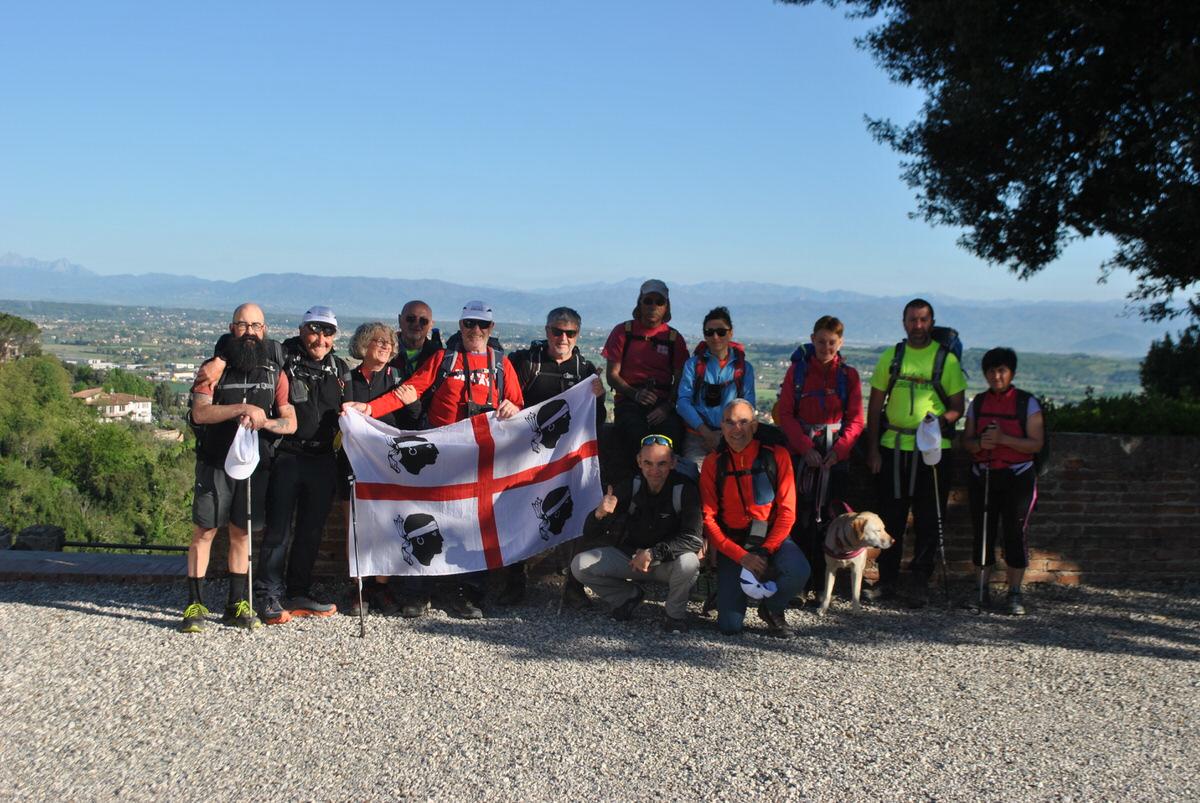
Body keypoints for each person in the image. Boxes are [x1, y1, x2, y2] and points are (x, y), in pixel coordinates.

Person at [343, 300, 524, 619]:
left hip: (479, 459)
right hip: (439, 456)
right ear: (460, 325)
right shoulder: (444, 359)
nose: (475, 330)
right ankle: (418, 590)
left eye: (482, 325)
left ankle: (465, 593)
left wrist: (513, 408)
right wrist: (371, 410)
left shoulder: (501, 364)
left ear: (491, 328)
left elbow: (518, 406)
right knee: (426, 519)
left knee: (472, 525)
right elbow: (409, 391)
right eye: (469, 324)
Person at [182, 303, 296, 633]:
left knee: (242, 533)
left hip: (253, 465)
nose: (250, 332)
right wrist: (242, 408)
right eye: (243, 325)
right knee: (204, 532)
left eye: (256, 326)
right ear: (232, 329)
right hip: (214, 461)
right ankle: (194, 603)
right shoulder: (213, 370)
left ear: (265, 330)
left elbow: (289, 421)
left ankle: (236, 603)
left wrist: (266, 421)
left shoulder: (275, 372)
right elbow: (200, 413)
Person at [501, 306, 606, 607]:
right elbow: (506, 399)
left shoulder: (585, 371)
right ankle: (513, 579)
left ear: (578, 336)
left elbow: (595, 423)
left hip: (565, 461)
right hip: (525, 457)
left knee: (574, 514)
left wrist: (598, 397)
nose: (563, 337)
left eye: (569, 333)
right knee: (517, 515)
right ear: (546, 331)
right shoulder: (526, 363)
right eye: (557, 331)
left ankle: (573, 585)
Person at [865, 298, 966, 607]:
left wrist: (940, 422)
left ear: (931, 323)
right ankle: (888, 580)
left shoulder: (946, 361)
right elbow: (874, 406)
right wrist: (873, 449)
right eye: (912, 320)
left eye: (923, 320)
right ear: (904, 322)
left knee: (928, 518)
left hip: (933, 451)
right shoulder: (892, 357)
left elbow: (957, 407)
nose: (918, 325)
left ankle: (919, 582)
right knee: (890, 518)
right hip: (894, 448)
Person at [571, 435, 703, 632]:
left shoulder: (685, 489)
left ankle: (674, 616)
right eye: (648, 463)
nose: (654, 470)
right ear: (639, 462)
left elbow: (693, 539)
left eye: (661, 464)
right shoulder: (631, 486)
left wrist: (652, 553)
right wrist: (599, 514)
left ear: (673, 463)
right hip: (631, 558)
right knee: (580, 565)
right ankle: (627, 597)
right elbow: (591, 533)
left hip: (667, 562)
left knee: (690, 562)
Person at [700, 399, 808, 637]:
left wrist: (766, 551)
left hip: (772, 539)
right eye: (729, 422)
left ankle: (772, 609)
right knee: (730, 626)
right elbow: (709, 518)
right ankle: (726, 592)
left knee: (798, 570)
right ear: (722, 426)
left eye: (743, 422)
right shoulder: (713, 463)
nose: (736, 429)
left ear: (755, 426)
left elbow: (787, 512)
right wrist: (742, 556)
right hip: (734, 543)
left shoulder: (777, 456)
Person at [776, 316, 864, 587]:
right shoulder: (798, 373)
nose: (826, 347)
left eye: (832, 343)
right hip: (804, 458)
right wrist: (805, 448)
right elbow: (786, 415)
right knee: (800, 519)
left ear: (841, 343)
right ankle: (800, 582)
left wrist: (838, 451)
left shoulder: (848, 376)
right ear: (812, 339)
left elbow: (856, 420)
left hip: (834, 459)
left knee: (833, 520)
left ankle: (825, 584)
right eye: (822, 341)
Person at [962, 347, 1044, 616]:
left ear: (1011, 373)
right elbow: (968, 442)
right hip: (984, 476)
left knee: (1014, 533)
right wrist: (979, 444)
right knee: (982, 533)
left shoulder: (1026, 403)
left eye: (1001, 371)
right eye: (991, 371)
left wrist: (1003, 440)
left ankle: (1014, 593)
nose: (996, 376)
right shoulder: (979, 403)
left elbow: (1036, 444)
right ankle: (981, 590)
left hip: (1018, 477)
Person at [340, 321, 405, 618]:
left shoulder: (397, 381)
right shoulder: (346, 380)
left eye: (388, 342)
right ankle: (359, 585)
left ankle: (382, 584)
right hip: (353, 464)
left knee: (388, 527)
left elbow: (412, 417)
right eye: (377, 341)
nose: (384, 346)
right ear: (364, 344)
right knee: (355, 525)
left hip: (388, 466)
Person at [602, 279, 688, 484]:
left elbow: (681, 380)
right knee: (634, 437)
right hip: (629, 401)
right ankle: (634, 490)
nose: (653, 306)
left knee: (671, 437)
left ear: (666, 307)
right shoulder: (623, 332)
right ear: (639, 303)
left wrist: (667, 407)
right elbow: (612, 375)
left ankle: (666, 493)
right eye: (648, 300)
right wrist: (635, 394)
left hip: (663, 404)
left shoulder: (674, 338)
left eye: (659, 302)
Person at [675, 306, 756, 478]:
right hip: (697, 436)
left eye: (721, 331)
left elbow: (749, 407)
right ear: (704, 335)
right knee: (694, 483)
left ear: (730, 333)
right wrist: (706, 432)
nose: (715, 337)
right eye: (709, 332)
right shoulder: (693, 365)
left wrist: (726, 432)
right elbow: (682, 402)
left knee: (730, 484)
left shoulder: (743, 369)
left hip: (733, 436)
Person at [388, 299, 442, 430]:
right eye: (411, 319)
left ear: (431, 325)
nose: (417, 324)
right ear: (400, 320)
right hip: (388, 426)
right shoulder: (385, 350)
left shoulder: (439, 356)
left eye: (423, 321)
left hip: (424, 429)